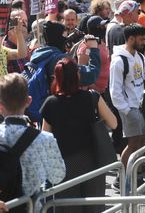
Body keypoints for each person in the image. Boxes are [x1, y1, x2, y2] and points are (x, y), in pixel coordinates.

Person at [40, 58, 117, 212]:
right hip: (92, 162)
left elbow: (45, 138)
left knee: (68, 208)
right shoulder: (92, 97)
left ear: (57, 78)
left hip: (64, 166)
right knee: (93, 207)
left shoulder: (50, 103)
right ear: (77, 75)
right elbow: (113, 123)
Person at [0, 74, 65, 204]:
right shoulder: (45, 139)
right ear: (28, 101)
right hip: (31, 206)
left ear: (0, 106)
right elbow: (57, 175)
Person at [109, 23, 145, 187]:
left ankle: (130, 174)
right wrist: (127, 110)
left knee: (140, 142)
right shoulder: (119, 60)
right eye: (141, 39)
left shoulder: (139, 56)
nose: (144, 42)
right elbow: (114, 90)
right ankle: (121, 179)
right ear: (130, 39)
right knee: (133, 144)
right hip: (130, 109)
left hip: (139, 106)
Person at [78, 16, 111, 95]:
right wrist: (97, 89)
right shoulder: (85, 47)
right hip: (95, 93)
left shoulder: (102, 42)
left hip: (107, 90)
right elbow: (83, 73)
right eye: (101, 26)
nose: (103, 28)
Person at [2, 9, 28, 75]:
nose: (23, 24)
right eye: (19, 21)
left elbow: (22, 54)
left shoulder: (3, 50)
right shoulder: (4, 46)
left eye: (25, 21)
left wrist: (18, 32)